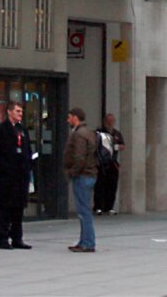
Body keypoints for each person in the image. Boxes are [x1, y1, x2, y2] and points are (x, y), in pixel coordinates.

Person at [0, 101, 34, 250]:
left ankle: (17, 238)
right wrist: (5, 168)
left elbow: (27, 150)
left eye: (21, 112)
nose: (20, 114)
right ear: (9, 112)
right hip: (6, 177)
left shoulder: (22, 130)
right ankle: (3, 238)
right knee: (4, 209)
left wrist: (28, 165)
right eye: (18, 111)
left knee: (18, 209)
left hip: (21, 177)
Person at [63, 107, 98, 252]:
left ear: (75, 118)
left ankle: (88, 243)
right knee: (85, 210)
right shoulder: (89, 133)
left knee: (84, 211)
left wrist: (72, 172)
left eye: (69, 117)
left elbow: (79, 157)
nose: (68, 120)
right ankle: (84, 240)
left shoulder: (79, 134)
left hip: (83, 175)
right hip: (89, 174)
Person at [93, 113, 125, 215]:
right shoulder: (99, 132)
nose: (110, 123)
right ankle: (98, 207)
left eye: (112, 121)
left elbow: (122, 145)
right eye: (108, 121)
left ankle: (109, 207)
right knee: (99, 185)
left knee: (112, 185)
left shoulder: (116, 133)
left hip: (112, 163)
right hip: (101, 163)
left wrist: (117, 147)